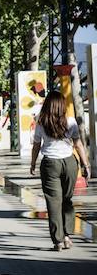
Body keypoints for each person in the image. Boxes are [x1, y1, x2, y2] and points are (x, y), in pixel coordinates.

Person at [30, 90, 90, 251]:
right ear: (62, 105)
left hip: (50, 164)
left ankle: (58, 240)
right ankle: (67, 236)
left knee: (53, 203)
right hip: (69, 162)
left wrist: (33, 164)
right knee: (67, 200)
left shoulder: (41, 122)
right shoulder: (70, 121)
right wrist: (85, 165)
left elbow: (36, 145)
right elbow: (78, 145)